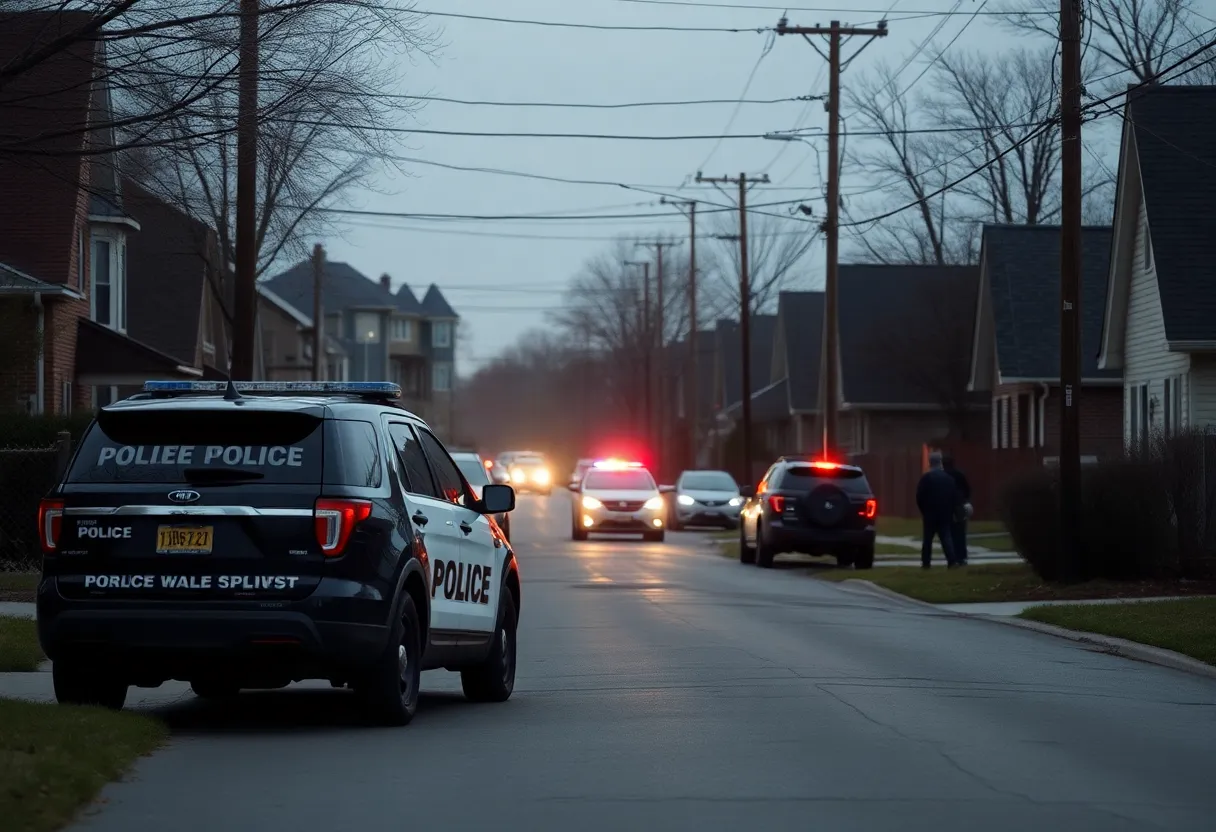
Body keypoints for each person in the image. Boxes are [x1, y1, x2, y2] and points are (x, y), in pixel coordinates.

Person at [916, 451, 960, 569]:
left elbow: (919, 496)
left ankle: (926, 563)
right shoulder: (948, 479)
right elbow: (954, 496)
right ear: (940, 462)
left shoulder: (926, 478)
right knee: (946, 537)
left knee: (927, 540)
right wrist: (952, 510)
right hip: (945, 513)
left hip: (930, 513)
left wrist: (924, 510)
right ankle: (951, 561)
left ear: (930, 463)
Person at [942, 455, 972, 566]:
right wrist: (965, 500)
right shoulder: (960, 475)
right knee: (960, 533)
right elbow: (967, 490)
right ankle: (962, 557)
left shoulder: (943, 476)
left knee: (947, 534)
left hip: (946, 507)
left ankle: (952, 557)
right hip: (959, 507)